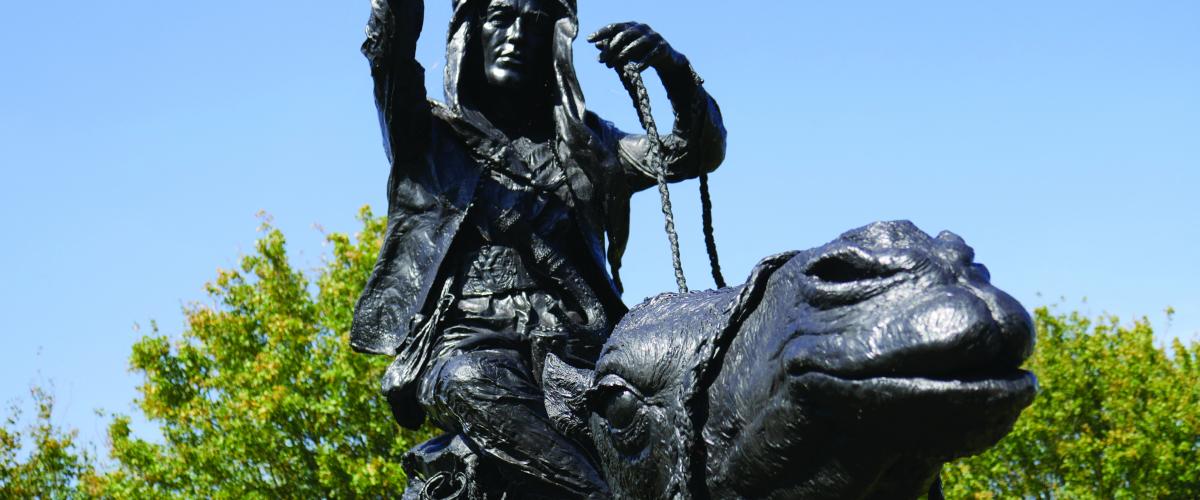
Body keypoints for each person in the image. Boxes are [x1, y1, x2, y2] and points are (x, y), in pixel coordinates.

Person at [349, 0, 726, 496]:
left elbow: (693, 150)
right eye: (501, 16)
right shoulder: (429, 138)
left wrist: (671, 68)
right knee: (469, 379)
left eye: (536, 22)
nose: (518, 34)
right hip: (468, 343)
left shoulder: (589, 143)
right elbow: (391, 59)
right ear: (471, 31)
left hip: (580, 346)